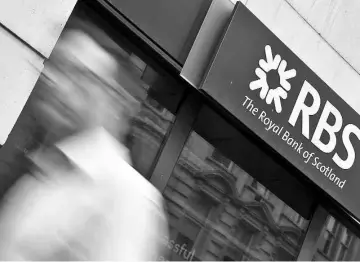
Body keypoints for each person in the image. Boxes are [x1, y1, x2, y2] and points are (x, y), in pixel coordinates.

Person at [0, 22, 169, 260]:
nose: (55, 82)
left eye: (77, 75)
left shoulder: (126, 196)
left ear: (111, 98)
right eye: (54, 67)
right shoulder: (43, 169)